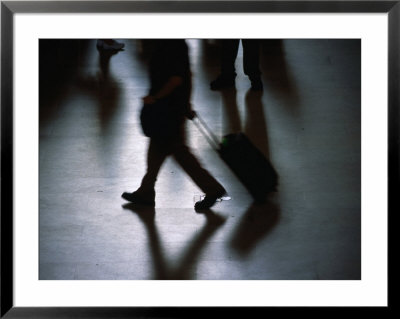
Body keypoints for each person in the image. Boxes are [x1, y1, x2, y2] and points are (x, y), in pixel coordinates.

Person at [122, 40, 226, 211]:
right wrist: (186, 104)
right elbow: (187, 75)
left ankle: (213, 189)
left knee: (180, 153)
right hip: (170, 108)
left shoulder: (171, 45)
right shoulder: (175, 43)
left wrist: (155, 98)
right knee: (157, 150)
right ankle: (146, 190)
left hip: (168, 109)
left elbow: (176, 79)